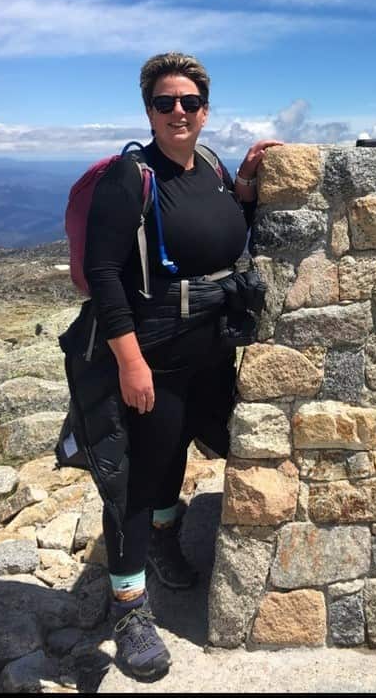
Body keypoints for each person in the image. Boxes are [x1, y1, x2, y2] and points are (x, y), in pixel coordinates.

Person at [82, 52, 281, 679]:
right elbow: (104, 273)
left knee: (183, 449)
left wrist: (246, 188)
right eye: (165, 102)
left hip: (214, 344)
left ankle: (168, 535)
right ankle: (130, 606)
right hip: (157, 348)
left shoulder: (213, 167)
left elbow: (227, 233)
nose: (178, 112)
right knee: (140, 473)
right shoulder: (130, 177)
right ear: (148, 110)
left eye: (189, 102)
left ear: (204, 110)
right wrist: (130, 361)